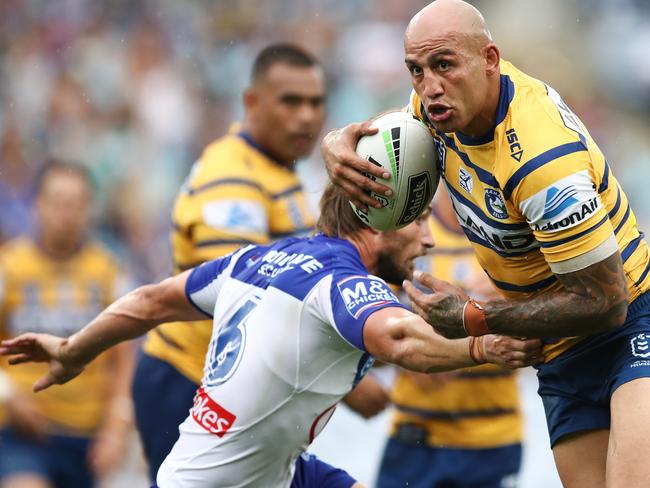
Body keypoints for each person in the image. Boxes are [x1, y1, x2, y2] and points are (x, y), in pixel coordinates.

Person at [0, 184, 542, 488]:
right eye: (418, 219)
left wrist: (75, 350)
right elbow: (400, 343)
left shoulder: (257, 259)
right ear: (375, 223)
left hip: (270, 471)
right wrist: (483, 344)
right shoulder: (340, 281)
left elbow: (148, 302)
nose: (428, 238)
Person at [321, 1, 650, 486]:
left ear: (489, 59)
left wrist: (473, 319)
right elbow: (388, 127)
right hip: (560, 348)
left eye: (444, 65)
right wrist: (335, 143)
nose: (429, 86)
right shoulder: (437, 111)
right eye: (416, 70)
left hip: (630, 323)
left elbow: (605, 303)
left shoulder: (540, 163)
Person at [131, 43, 327, 481]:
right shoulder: (232, 176)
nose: (307, 116)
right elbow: (240, 297)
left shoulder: (280, 173)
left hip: (228, 383)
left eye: (316, 102)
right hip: (187, 380)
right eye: (290, 101)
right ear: (252, 102)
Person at [376, 187, 523, 488]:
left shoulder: (514, 242)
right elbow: (369, 335)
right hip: (414, 437)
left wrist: (515, 307)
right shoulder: (409, 234)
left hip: (491, 440)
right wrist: (412, 356)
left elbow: (553, 338)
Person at [0, 161, 135, 488]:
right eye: (58, 202)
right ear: (38, 205)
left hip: (85, 437)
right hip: (21, 431)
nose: (67, 213)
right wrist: (6, 394)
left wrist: (116, 430)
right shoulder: (9, 266)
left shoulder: (109, 272)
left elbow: (124, 360)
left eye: (77, 204)